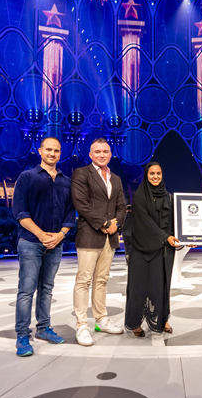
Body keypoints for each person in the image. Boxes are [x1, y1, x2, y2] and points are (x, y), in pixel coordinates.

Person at [12, 137, 75, 357]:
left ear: (60, 153)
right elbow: (20, 212)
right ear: (40, 151)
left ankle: (43, 329)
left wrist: (60, 235)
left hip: (55, 244)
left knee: (47, 288)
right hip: (30, 242)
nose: (52, 153)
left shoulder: (66, 181)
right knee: (26, 290)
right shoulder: (27, 177)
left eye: (56, 150)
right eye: (48, 149)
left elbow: (70, 214)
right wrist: (41, 235)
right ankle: (22, 336)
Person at [71, 138, 127, 346]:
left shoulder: (116, 179)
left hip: (109, 237)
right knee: (84, 281)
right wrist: (104, 223)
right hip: (89, 234)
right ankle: (81, 325)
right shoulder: (81, 174)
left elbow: (122, 206)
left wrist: (115, 225)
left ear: (110, 154)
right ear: (90, 154)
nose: (102, 155)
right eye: (97, 151)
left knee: (102, 280)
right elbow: (81, 204)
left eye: (105, 151)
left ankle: (101, 319)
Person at [124, 162, 182, 336]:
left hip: (162, 250)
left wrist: (187, 237)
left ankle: (162, 319)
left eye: (158, 173)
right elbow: (144, 222)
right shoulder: (140, 196)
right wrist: (164, 237)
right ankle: (135, 323)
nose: (155, 176)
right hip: (141, 248)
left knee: (161, 287)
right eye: (152, 174)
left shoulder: (168, 197)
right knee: (138, 287)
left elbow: (174, 221)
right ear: (146, 175)